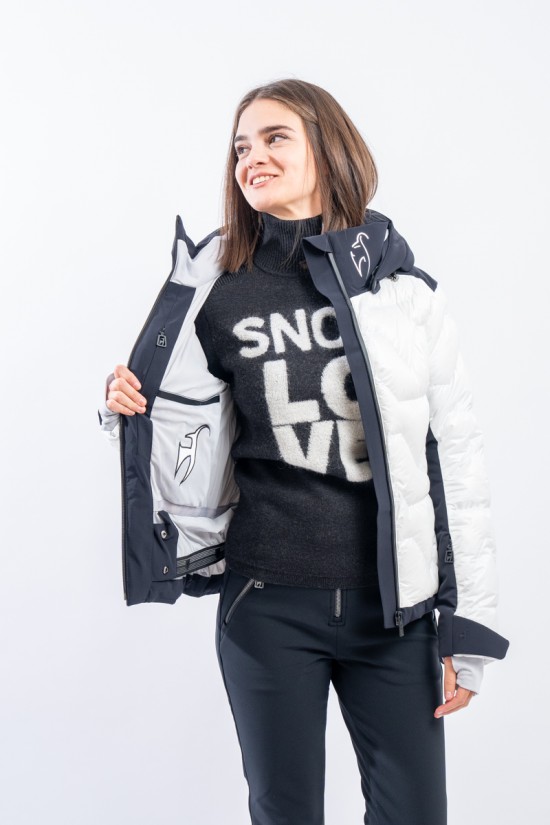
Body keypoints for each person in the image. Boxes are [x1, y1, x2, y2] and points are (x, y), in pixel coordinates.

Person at [98, 78, 509, 825]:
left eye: (275, 137)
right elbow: (177, 419)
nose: (251, 158)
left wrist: (466, 625)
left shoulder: (400, 289)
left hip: (395, 614)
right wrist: (125, 405)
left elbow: (454, 457)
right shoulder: (213, 288)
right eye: (241, 146)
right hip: (265, 604)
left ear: (328, 148)